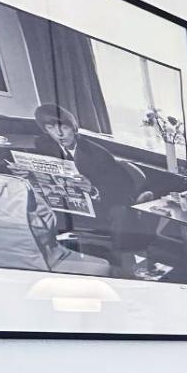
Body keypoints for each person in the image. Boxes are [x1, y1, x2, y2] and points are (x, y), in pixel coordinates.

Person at [31, 103, 155, 275]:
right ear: (46, 130)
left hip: (102, 204)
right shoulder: (44, 145)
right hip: (67, 205)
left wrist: (93, 189)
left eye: (64, 127)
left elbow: (120, 191)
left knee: (120, 213)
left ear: (73, 128)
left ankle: (122, 266)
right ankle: (57, 261)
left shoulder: (98, 154)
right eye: (51, 128)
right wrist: (28, 175)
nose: (59, 134)